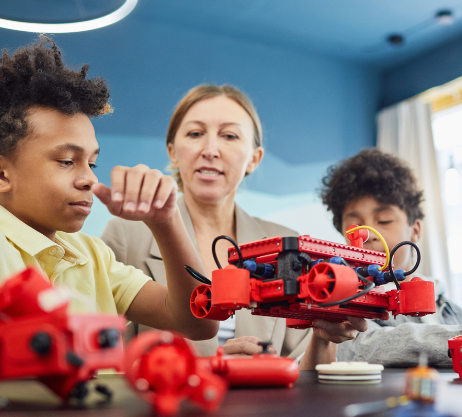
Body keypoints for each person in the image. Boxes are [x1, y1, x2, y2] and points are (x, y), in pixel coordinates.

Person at [0, 37, 217, 342]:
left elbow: (198, 323)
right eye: (66, 161)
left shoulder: (92, 256)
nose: (89, 179)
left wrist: (165, 221)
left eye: (92, 163)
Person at [100, 85, 364, 369]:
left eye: (229, 136)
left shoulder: (288, 244)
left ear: (254, 159)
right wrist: (212, 368)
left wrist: (323, 338)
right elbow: (103, 361)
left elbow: (302, 371)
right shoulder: (126, 236)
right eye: (195, 134)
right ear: (172, 152)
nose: (210, 150)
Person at [319, 148, 462, 366]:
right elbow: (365, 346)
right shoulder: (347, 306)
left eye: (384, 220)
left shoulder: (450, 309)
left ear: (415, 230)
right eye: (354, 227)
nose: (368, 234)